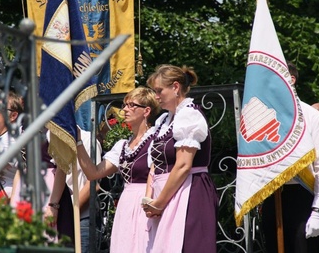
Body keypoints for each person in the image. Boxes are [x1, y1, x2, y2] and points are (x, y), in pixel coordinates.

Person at [142, 64, 218, 253]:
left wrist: (159, 203)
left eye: (159, 91)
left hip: (189, 191)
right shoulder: (164, 121)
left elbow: (184, 165)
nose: (156, 96)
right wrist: (153, 200)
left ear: (175, 87)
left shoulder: (189, 116)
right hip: (168, 194)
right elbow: (156, 165)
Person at [75, 86, 161, 253]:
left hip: (148, 202)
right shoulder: (122, 146)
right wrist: (78, 141)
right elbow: (93, 173)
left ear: (147, 111)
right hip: (127, 204)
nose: (125, 110)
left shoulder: (157, 140)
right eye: (125, 105)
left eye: (131, 105)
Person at [261, 62, 319, 253]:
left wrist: (318, 209)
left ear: (291, 80)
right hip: (272, 194)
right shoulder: (265, 117)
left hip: (303, 196)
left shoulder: (313, 117)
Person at [65, 128, 102, 252]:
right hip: (54, 218)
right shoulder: (46, 138)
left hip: (81, 220)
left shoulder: (88, 140)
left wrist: (68, 212)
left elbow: (93, 183)